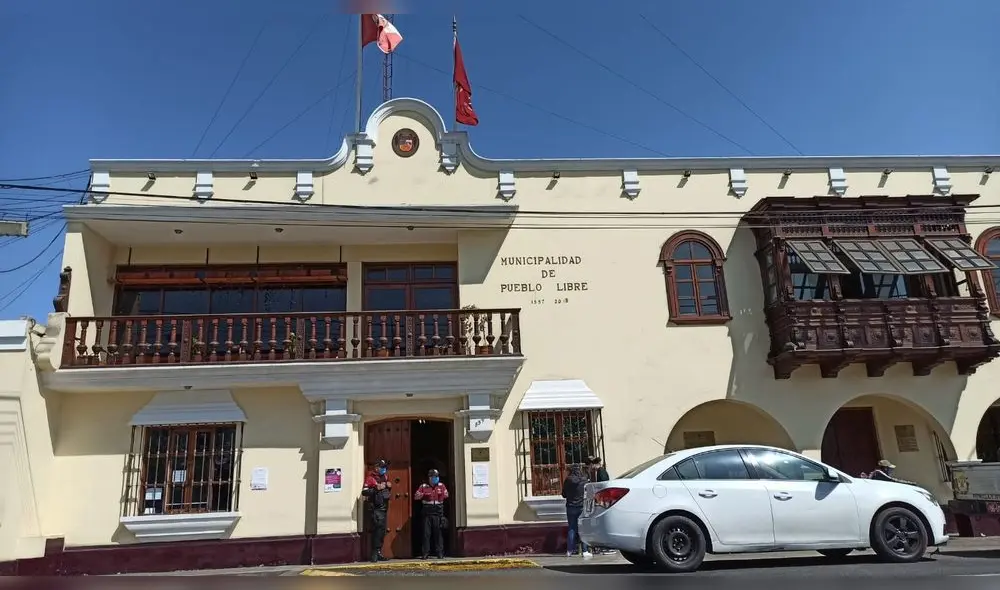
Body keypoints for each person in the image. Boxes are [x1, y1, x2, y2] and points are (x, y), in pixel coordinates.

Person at [414, 468, 449, 559]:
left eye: (437, 476)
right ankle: (425, 553)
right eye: (434, 477)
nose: (436, 478)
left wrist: (442, 495)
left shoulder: (441, 486)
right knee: (426, 534)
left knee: (438, 533)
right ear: (429, 477)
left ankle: (440, 552)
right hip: (427, 512)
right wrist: (423, 495)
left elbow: (446, 495)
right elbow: (416, 497)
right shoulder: (423, 486)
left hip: (438, 512)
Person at [361, 458, 392, 562]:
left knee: (382, 532)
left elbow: (385, 491)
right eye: (382, 467)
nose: (384, 469)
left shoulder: (385, 477)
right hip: (376, 508)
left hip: (384, 508)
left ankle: (378, 553)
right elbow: (364, 492)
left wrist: (388, 486)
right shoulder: (370, 478)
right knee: (377, 531)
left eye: (385, 468)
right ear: (377, 468)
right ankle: (374, 554)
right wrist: (375, 488)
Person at [561, 465, 592, 559]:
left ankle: (569, 551)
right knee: (583, 528)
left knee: (571, 528)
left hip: (570, 507)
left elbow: (563, 494)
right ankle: (585, 551)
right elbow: (589, 493)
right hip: (581, 507)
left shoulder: (568, 480)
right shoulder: (584, 480)